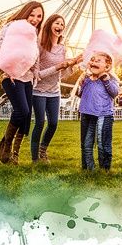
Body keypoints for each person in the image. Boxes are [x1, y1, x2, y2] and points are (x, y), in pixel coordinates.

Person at [0, 1, 43, 165]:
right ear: (25, 13)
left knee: (26, 116)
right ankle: (6, 144)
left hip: (26, 76)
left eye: (39, 16)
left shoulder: (34, 32)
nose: (35, 19)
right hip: (9, 74)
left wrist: (35, 72)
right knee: (22, 110)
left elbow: (35, 53)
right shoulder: (11, 27)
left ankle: (14, 154)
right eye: (32, 15)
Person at [29, 15, 83, 164]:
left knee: (53, 123)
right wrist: (57, 67)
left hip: (54, 91)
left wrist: (73, 64)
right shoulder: (39, 46)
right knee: (40, 122)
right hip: (38, 90)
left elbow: (64, 75)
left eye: (62, 24)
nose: (60, 26)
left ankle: (43, 150)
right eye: (57, 23)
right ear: (49, 25)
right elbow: (37, 75)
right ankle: (35, 158)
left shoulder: (62, 49)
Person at [77, 52, 119, 171]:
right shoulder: (86, 79)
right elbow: (81, 95)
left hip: (103, 115)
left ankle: (104, 168)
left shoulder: (110, 79)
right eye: (92, 60)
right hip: (87, 114)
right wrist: (80, 84)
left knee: (102, 143)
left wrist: (106, 80)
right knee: (86, 144)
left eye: (98, 61)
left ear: (107, 67)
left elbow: (115, 93)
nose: (94, 62)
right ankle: (88, 168)